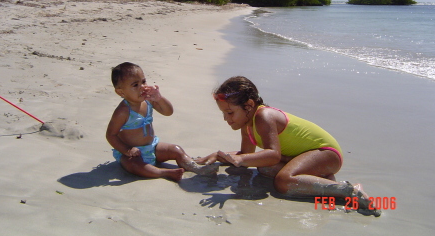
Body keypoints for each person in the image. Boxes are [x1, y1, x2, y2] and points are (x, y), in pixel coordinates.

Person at [196, 76, 380, 216]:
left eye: (230, 112)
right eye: (224, 114)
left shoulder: (263, 116)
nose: (226, 119)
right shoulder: (247, 124)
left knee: (283, 182)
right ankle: (323, 178)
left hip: (326, 153)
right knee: (264, 168)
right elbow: (245, 154)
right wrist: (218, 156)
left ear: (249, 105)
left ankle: (349, 190)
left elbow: (273, 154)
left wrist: (241, 159)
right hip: (301, 156)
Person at [106, 62, 217, 181]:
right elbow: (111, 135)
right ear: (121, 92)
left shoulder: (148, 100)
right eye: (135, 85)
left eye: (143, 82)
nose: (142, 87)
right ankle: (163, 172)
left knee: (175, 149)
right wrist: (127, 150)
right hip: (133, 154)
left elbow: (168, 112)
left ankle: (193, 166)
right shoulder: (123, 111)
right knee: (134, 165)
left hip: (152, 147)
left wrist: (159, 98)